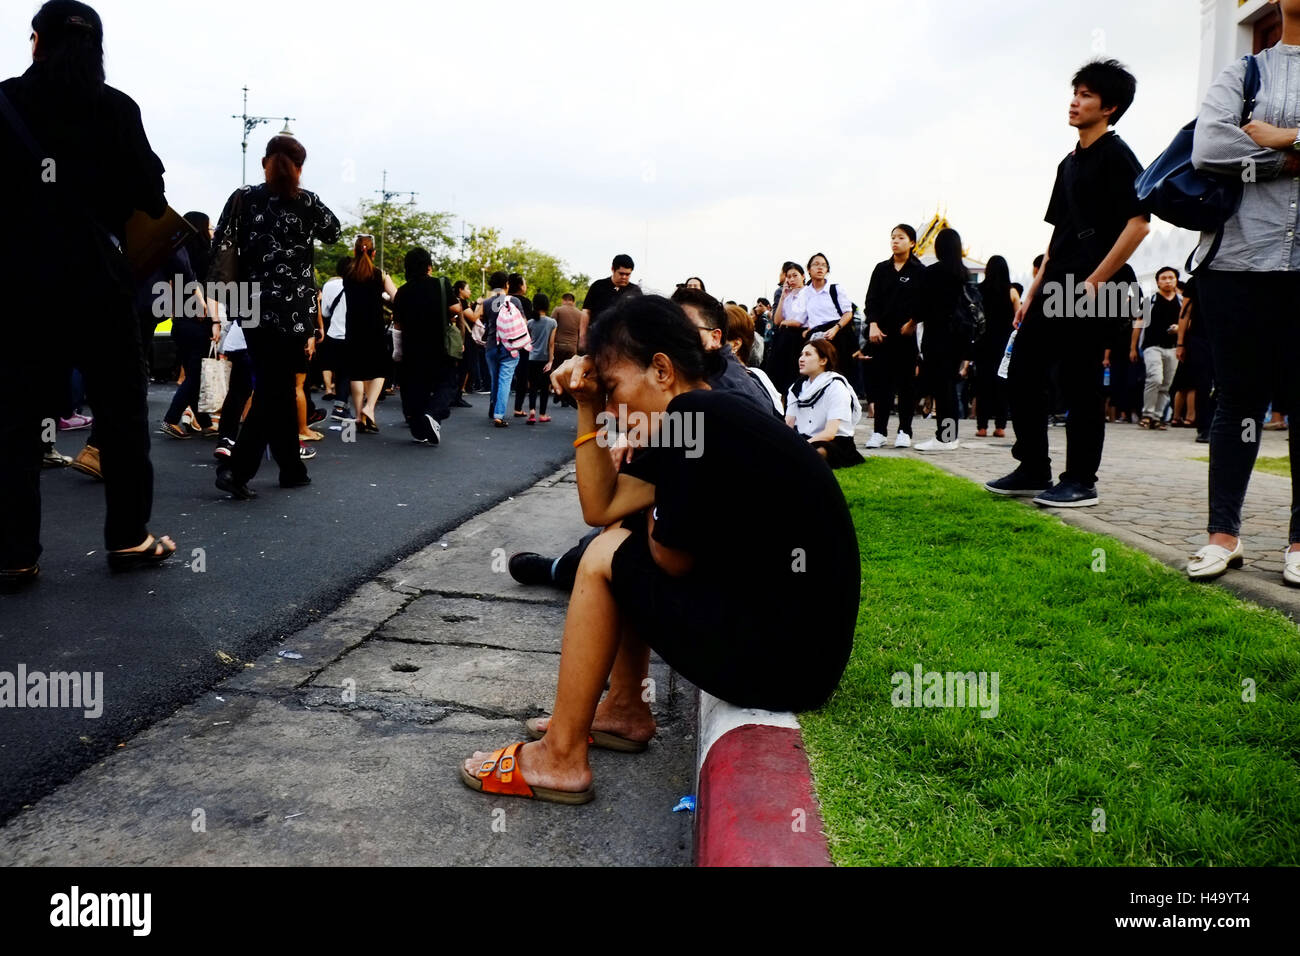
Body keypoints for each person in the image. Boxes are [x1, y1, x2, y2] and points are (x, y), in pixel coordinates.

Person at [460, 294, 859, 803]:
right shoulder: (703, 414)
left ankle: (559, 757)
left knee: (605, 557)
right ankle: (625, 708)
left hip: (780, 665)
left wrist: (646, 464)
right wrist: (587, 408)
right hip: (795, 657)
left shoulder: (695, 417)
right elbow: (602, 506)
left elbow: (670, 557)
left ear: (662, 370)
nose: (612, 410)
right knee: (616, 535)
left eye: (613, 388)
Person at [1, 0, 178, 584]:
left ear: (36, 42)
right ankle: (129, 537)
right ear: (97, 48)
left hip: (20, 285)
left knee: (17, 420)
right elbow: (152, 197)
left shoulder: (5, 103)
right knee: (122, 414)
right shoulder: (115, 108)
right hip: (99, 284)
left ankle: (15, 552)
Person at [987, 58, 1150, 506]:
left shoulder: (1118, 155)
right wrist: (1034, 290)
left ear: (1110, 107)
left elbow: (1139, 224)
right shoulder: (1068, 163)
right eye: (1075, 92)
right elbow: (1057, 233)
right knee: (1022, 371)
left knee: (1080, 382)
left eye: (1086, 95)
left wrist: (1097, 281)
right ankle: (1033, 467)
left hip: (1096, 284)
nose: (1075, 102)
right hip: (1057, 281)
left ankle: (1081, 480)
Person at [1187, 0, 1300, 584]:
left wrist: (1282, 136)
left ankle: (1299, 544)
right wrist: (1292, 159)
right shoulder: (1246, 72)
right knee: (1237, 400)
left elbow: (1244, 151)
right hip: (1237, 261)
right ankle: (1223, 536)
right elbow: (1210, 150)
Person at [211, 134, 341, 499]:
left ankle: (291, 467)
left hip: (252, 306)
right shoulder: (306, 202)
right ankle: (238, 471)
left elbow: (220, 242)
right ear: (299, 167)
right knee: (274, 387)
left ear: (264, 162)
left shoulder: (243, 197)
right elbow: (334, 232)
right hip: (294, 311)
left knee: (276, 386)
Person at [862, 225, 925, 449]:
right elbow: (871, 300)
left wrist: (913, 322)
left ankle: (904, 431)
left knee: (906, 386)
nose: (895, 241)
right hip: (882, 336)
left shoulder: (919, 270)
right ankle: (879, 432)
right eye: (892, 238)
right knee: (882, 386)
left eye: (900, 237)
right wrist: (873, 324)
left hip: (907, 337)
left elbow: (925, 301)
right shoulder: (881, 269)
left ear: (912, 243)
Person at [913, 228, 971, 452]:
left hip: (937, 337)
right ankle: (949, 436)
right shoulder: (963, 274)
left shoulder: (933, 272)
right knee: (949, 388)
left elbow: (921, 307)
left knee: (942, 389)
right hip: (958, 339)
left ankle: (945, 438)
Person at [392, 247, 455, 444]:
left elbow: (398, 325)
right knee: (448, 383)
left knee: (416, 388)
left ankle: (420, 429)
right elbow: (454, 309)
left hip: (412, 349)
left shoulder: (402, 292)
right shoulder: (440, 285)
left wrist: (398, 353)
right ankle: (433, 415)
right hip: (438, 347)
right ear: (429, 266)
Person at [343, 234, 396, 434]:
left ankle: (358, 416)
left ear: (355, 252)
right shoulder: (380, 275)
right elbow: (396, 296)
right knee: (380, 369)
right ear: (374, 253)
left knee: (356, 371)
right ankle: (369, 407)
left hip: (353, 328)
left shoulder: (347, 274)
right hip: (374, 327)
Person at [787, 339, 865, 469]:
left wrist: (801, 445)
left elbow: (830, 433)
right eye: (801, 354)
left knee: (817, 453)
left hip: (834, 442)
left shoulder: (836, 386)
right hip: (804, 439)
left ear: (823, 361)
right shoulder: (796, 388)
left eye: (808, 355)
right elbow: (788, 424)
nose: (801, 359)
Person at [476, 270, 528, 426]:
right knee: (505, 380)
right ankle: (499, 415)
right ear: (506, 284)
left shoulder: (486, 303)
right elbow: (524, 323)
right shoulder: (515, 301)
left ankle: (493, 409)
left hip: (491, 346)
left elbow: (483, 321)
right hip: (509, 346)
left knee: (495, 379)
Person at [1131, 266, 1181, 430]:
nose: (1167, 281)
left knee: (1166, 384)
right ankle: (1147, 414)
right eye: (1164, 278)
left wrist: (1179, 329)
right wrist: (1133, 348)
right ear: (1158, 282)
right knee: (1155, 378)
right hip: (1152, 346)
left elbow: (1188, 323)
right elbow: (1138, 325)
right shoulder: (1149, 301)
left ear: (1175, 280)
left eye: (1171, 277)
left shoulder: (1182, 302)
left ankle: (1158, 417)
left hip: (1173, 348)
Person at [974, 254, 1018, 438]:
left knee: (982, 385)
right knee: (1002, 385)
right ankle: (1000, 426)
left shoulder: (978, 290)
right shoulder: (1012, 292)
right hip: (1004, 346)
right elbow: (1018, 319)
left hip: (983, 343)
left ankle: (982, 427)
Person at [801, 253, 854, 373]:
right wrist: (808, 329)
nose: (820, 268)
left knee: (840, 370)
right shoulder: (805, 293)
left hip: (837, 334)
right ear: (809, 269)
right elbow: (805, 316)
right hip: (816, 337)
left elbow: (848, 313)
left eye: (824, 265)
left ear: (827, 270)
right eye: (816, 264)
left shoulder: (835, 289)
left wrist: (836, 328)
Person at [764, 260, 808, 399]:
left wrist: (786, 322)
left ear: (803, 276)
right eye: (789, 276)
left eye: (795, 275)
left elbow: (800, 321)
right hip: (783, 337)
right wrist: (783, 297)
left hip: (799, 338)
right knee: (778, 377)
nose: (791, 279)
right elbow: (777, 320)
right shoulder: (788, 295)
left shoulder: (808, 293)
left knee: (794, 376)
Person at [579, 254, 641, 351]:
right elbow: (586, 312)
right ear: (613, 269)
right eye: (621, 273)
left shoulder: (635, 291)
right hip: (597, 339)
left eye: (628, 274)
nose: (624, 277)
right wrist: (582, 337)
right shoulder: (598, 286)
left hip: (623, 344)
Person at [515, 292, 556, 423]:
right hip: (544, 358)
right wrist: (551, 360)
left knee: (532, 386)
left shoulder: (531, 322)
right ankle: (542, 414)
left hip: (531, 357)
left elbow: (527, 340)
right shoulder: (552, 322)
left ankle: (532, 411)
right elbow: (551, 343)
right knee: (544, 387)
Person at [320, 256, 351, 420]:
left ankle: (340, 405)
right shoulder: (359, 284)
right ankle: (340, 407)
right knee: (346, 373)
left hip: (332, 334)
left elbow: (324, 312)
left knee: (338, 370)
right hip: (351, 335)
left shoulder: (329, 285)